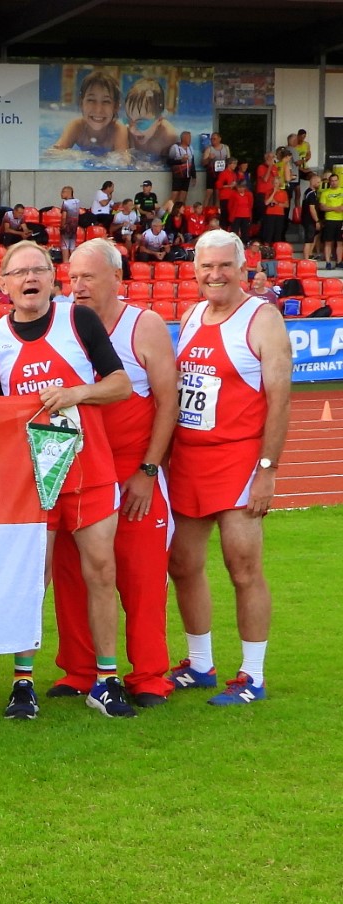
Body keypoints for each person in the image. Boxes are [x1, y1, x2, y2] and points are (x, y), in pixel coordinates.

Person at [0, 241, 135, 720]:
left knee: (100, 572)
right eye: (19, 272)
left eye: (39, 270)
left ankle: (106, 680)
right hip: (31, 480)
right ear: (3, 284)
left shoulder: (79, 321)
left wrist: (76, 393)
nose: (30, 278)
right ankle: (22, 682)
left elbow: (121, 384)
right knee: (33, 579)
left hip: (89, 469)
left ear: (53, 277)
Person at [167, 230, 291, 706]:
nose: (215, 275)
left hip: (239, 458)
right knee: (182, 564)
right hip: (190, 458)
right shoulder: (193, 313)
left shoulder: (262, 320)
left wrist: (267, 468)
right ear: (194, 270)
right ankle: (200, 664)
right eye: (206, 267)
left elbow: (280, 401)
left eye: (224, 266)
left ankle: (252, 676)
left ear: (243, 268)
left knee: (243, 568)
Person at [53, 240, 178, 709]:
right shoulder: (64, 323)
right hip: (77, 470)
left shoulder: (143, 326)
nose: (78, 286)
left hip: (130, 471)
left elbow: (168, 402)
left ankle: (148, 676)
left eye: (88, 277)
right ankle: (80, 669)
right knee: (74, 574)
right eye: (73, 278)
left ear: (115, 279)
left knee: (141, 576)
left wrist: (148, 470)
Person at [53, 71, 127, 156]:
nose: (98, 110)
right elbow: (54, 153)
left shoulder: (118, 131)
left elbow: (123, 161)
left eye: (106, 101)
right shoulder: (76, 127)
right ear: (81, 103)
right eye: (91, 100)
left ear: (116, 107)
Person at [124, 78, 175, 160]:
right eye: (129, 121)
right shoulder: (127, 134)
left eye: (141, 123)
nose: (132, 130)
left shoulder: (168, 137)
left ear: (159, 119)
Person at [318, 172, 343, 267]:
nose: (334, 182)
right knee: (328, 241)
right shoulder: (325, 193)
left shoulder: (342, 191)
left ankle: (339, 262)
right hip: (329, 220)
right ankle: (328, 262)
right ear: (329, 182)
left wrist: (334, 207)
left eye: (335, 180)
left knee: (340, 242)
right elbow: (322, 207)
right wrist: (335, 208)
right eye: (332, 181)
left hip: (340, 220)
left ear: (338, 181)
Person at [167, 131, 195, 204]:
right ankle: (167, 212)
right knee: (174, 195)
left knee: (183, 196)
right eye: (189, 138)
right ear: (184, 138)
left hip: (187, 176)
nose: (190, 140)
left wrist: (194, 176)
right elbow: (169, 162)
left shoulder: (191, 148)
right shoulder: (175, 148)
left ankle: (179, 213)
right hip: (178, 175)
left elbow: (192, 162)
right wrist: (180, 161)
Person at [202, 133, 232, 199]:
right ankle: (206, 208)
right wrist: (209, 158)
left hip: (222, 173)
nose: (212, 140)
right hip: (212, 173)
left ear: (219, 139)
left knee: (219, 192)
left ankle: (218, 208)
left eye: (214, 139)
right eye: (211, 139)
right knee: (209, 192)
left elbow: (229, 161)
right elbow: (203, 163)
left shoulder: (226, 148)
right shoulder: (209, 149)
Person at [58, 184, 82, 260]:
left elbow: (64, 216)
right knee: (72, 246)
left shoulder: (65, 203)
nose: (61, 194)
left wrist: (62, 226)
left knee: (65, 245)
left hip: (66, 228)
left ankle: (65, 263)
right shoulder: (77, 202)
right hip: (74, 228)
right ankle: (73, 262)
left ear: (68, 192)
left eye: (63, 192)